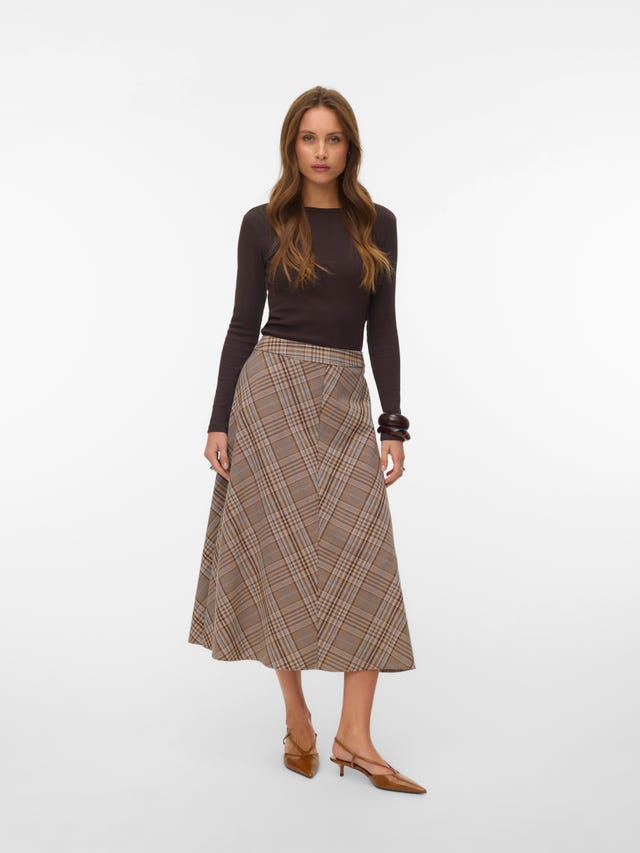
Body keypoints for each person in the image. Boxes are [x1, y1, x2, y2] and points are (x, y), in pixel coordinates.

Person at [187, 86, 426, 795]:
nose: (321, 151)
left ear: (350, 147)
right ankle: (297, 716)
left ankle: (355, 736)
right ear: (292, 146)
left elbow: (383, 326)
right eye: (309, 138)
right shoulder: (263, 223)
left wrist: (393, 421)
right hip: (271, 395)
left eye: (334, 139)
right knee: (282, 559)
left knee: (366, 560)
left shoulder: (377, 224)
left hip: (346, 394)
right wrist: (219, 419)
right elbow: (241, 324)